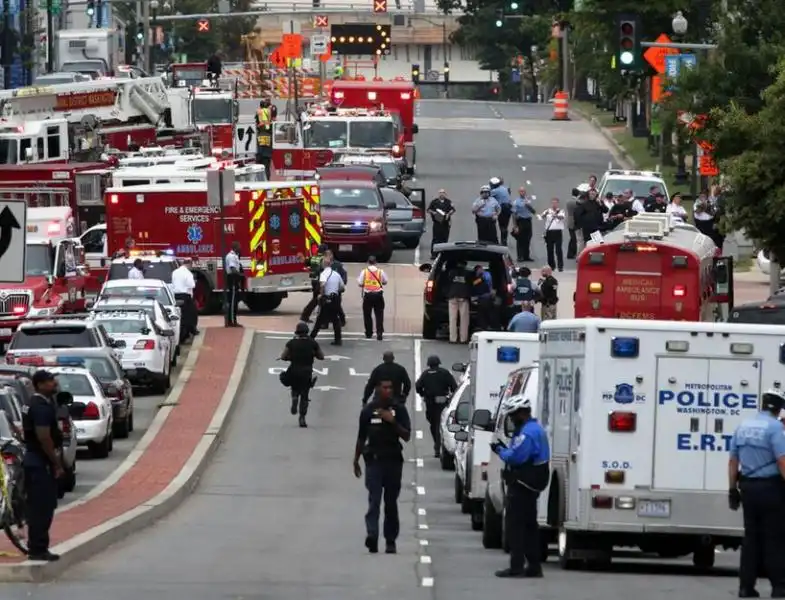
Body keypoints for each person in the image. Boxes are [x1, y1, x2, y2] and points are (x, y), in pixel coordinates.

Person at [727, 389, 785, 598]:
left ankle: (746, 587)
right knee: (774, 538)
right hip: (771, 488)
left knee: (750, 539)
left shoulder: (743, 426)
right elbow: (782, 461)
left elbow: (733, 461)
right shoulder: (776, 428)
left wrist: (732, 489)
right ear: (778, 408)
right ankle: (779, 587)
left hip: (748, 488)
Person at [491, 394, 550, 578]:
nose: (510, 419)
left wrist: (500, 450)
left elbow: (516, 457)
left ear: (520, 413)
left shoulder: (528, 433)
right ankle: (534, 566)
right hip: (531, 484)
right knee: (530, 526)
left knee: (515, 526)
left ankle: (516, 566)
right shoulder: (533, 428)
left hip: (524, 484)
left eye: (512, 415)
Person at [354, 378, 411, 554]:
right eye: (385, 387)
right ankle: (372, 535)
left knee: (390, 503)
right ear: (378, 389)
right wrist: (355, 459)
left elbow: (407, 435)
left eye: (390, 388)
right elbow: (361, 437)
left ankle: (390, 540)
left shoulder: (399, 410)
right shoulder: (368, 411)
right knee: (374, 500)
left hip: (393, 461)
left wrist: (392, 421)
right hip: (374, 461)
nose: (388, 391)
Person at [22, 370, 64, 562]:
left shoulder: (33, 403)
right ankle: (38, 549)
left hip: (33, 459)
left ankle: (37, 546)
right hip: (40, 462)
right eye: (49, 381)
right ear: (39, 385)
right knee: (42, 507)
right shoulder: (40, 407)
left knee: (39, 506)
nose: (54, 383)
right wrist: (55, 462)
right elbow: (43, 436)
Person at [280, 322, 324, 428]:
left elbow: (283, 356)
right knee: (305, 396)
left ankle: (294, 397)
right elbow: (321, 356)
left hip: (294, 370)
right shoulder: (313, 343)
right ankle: (302, 417)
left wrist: (289, 357)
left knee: (294, 387)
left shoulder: (291, 343)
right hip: (307, 372)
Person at [415, 356, 458, 457]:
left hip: (430, 401)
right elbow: (454, 387)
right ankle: (439, 445)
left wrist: (423, 394)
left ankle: (437, 445)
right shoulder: (445, 373)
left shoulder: (425, 374)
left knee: (433, 423)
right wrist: (450, 397)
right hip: (442, 400)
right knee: (440, 423)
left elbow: (418, 386)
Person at [310, 253, 345, 345]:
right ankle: (338, 339)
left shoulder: (323, 274)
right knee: (335, 320)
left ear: (324, 265)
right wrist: (335, 289)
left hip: (327, 298)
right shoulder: (336, 274)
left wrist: (321, 295)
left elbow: (322, 285)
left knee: (320, 319)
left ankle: (311, 337)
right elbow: (342, 287)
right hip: (336, 298)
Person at [358, 256, 388, 340]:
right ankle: (379, 333)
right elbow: (385, 281)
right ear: (375, 262)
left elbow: (360, 283)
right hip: (378, 295)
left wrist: (366, 283)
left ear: (368, 262)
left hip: (368, 296)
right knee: (379, 315)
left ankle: (368, 333)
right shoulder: (380, 272)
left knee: (367, 315)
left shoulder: (364, 272)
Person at [171, 258, 198, 343]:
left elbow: (173, 283)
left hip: (176, 295)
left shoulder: (175, 272)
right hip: (185, 296)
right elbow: (192, 285)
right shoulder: (188, 273)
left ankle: (184, 333)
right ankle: (188, 333)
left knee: (180, 315)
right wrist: (195, 281)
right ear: (189, 264)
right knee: (189, 315)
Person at [446, 259, 472, 344]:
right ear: (464, 265)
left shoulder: (451, 273)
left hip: (452, 297)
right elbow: (471, 284)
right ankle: (463, 339)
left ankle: (452, 338)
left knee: (452, 319)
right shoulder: (468, 274)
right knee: (464, 319)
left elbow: (447, 283)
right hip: (463, 297)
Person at [301, 244, 327, 322]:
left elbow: (305, 262)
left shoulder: (313, 258)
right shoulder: (323, 259)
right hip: (319, 281)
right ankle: (305, 315)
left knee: (317, 299)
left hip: (313, 281)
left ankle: (321, 317)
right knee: (317, 300)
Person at [427, 189, 455, 258]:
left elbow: (453, 209)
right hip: (437, 222)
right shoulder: (434, 202)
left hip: (445, 223)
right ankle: (434, 253)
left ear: (445, 194)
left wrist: (449, 214)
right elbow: (428, 209)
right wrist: (434, 213)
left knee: (444, 238)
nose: (442, 194)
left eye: (443, 193)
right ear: (438, 194)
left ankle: (443, 253)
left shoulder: (448, 202)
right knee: (436, 238)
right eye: (440, 193)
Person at [541, 198, 565, 272]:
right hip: (549, 233)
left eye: (556, 203)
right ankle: (551, 266)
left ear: (558, 203)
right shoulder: (548, 211)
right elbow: (541, 217)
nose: (554, 204)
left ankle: (560, 266)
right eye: (553, 203)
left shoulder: (561, 211)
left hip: (558, 232)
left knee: (558, 250)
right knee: (549, 250)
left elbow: (562, 217)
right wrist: (545, 214)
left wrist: (555, 215)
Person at [511, 187, 535, 262]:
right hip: (521, 221)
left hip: (528, 221)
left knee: (528, 238)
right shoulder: (516, 202)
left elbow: (533, 211)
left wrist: (528, 205)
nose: (522, 193)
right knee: (520, 239)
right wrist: (515, 226)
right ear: (519, 192)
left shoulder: (528, 201)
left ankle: (526, 256)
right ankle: (520, 256)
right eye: (521, 191)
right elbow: (514, 215)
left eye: (524, 191)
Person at [224, 241, 243, 327]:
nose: (240, 248)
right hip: (232, 279)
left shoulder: (235, 255)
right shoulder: (231, 256)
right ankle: (231, 321)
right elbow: (232, 268)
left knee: (235, 301)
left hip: (235, 279)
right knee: (232, 302)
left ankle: (233, 320)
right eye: (239, 246)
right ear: (235, 247)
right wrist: (240, 275)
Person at [471, 264, 495, 330]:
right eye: (479, 269)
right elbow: (473, 284)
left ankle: (487, 326)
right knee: (482, 313)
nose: (481, 270)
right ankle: (484, 326)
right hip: (480, 297)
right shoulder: (475, 277)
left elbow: (489, 283)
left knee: (486, 312)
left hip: (485, 296)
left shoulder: (486, 275)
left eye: (481, 269)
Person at [490, 177, 512, 245]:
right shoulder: (504, 188)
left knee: (501, 225)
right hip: (509, 207)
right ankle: (504, 239)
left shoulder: (494, 191)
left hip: (502, 207)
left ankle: (502, 241)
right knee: (505, 225)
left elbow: (488, 198)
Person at [255, 100, 274, 177]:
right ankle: (267, 178)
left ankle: (260, 179)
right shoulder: (269, 111)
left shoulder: (258, 111)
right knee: (266, 165)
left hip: (260, 138)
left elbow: (257, 122)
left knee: (259, 165)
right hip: (267, 138)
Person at [565, 188, 580, 260]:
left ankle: (570, 253)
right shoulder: (576, 202)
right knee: (574, 238)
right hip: (574, 221)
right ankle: (571, 253)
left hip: (569, 220)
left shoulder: (568, 201)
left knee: (572, 237)